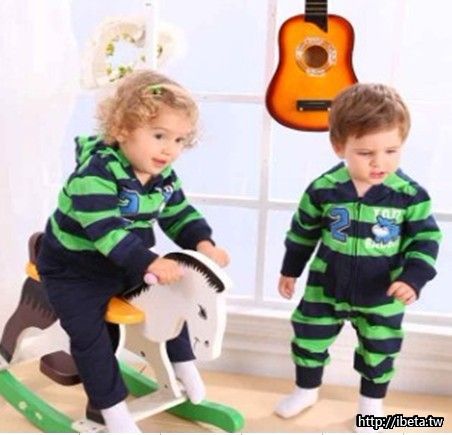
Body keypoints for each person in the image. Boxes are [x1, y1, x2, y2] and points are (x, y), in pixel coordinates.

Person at [37, 69, 229, 433]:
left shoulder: (163, 177)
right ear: (123, 129)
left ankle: (183, 363)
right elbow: (106, 232)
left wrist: (203, 242)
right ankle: (111, 409)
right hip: (74, 268)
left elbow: (179, 214)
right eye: (159, 136)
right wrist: (150, 261)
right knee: (91, 336)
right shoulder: (94, 174)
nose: (169, 149)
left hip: (125, 260)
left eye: (179, 140)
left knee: (172, 295)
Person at [274, 83, 441, 432]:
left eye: (391, 151)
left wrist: (413, 279)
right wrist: (291, 269)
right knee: (308, 336)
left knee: (380, 348)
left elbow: (425, 240)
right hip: (326, 285)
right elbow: (303, 231)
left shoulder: (410, 196)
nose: (380, 162)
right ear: (340, 147)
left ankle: (371, 406)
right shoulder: (323, 189)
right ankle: (306, 390)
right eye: (366, 153)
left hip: (382, 292)